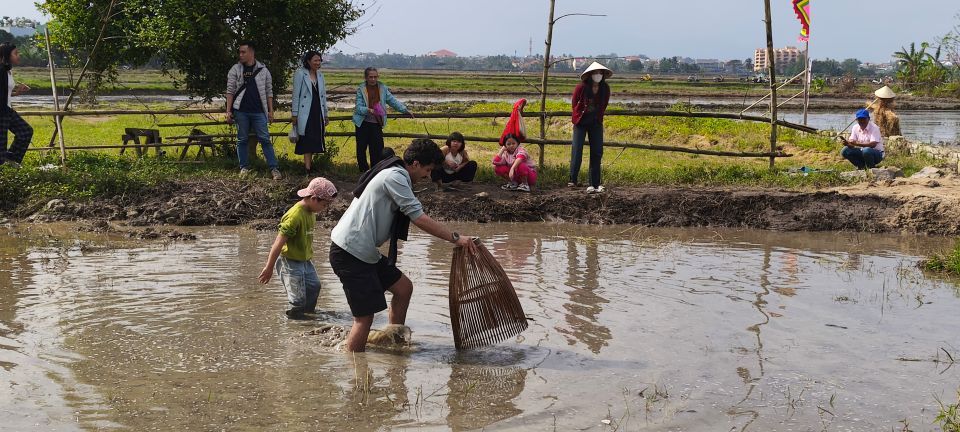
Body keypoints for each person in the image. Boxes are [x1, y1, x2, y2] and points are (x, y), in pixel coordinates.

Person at [328, 138, 476, 352]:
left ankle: (393, 342)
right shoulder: (395, 176)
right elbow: (418, 217)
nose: (427, 177)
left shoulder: (396, 172)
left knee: (403, 288)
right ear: (415, 164)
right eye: (426, 170)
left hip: (363, 251)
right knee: (364, 318)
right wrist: (456, 237)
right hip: (350, 251)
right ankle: (357, 373)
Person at [258, 177, 338, 319]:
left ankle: (308, 315)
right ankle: (295, 323)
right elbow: (278, 242)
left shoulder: (311, 212)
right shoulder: (295, 216)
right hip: (290, 261)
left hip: (305, 260)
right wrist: (269, 267)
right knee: (297, 299)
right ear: (314, 198)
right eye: (324, 205)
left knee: (314, 287)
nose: (324, 209)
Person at [225, 41, 281, 180]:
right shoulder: (235, 69)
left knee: (265, 140)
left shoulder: (263, 70)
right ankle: (244, 168)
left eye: (243, 52)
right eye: (240, 52)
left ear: (251, 53)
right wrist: (228, 110)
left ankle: (274, 169)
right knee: (242, 140)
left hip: (259, 111)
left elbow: (269, 92)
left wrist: (270, 111)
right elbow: (230, 91)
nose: (241, 55)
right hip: (241, 111)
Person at [352, 67, 414, 172]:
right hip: (362, 123)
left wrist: (404, 110)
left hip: (376, 123)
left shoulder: (382, 88)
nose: (373, 79)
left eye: (375, 77)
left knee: (377, 149)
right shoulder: (361, 89)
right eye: (370, 77)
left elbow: (392, 101)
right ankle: (363, 172)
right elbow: (358, 107)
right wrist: (368, 110)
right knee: (361, 149)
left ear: (378, 77)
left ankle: (375, 171)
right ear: (366, 77)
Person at [569, 61, 612, 194]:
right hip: (581, 122)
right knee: (577, 149)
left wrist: (597, 117)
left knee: (597, 151)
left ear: (603, 75)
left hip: (595, 122)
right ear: (589, 75)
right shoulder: (581, 88)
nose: (598, 75)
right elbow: (574, 103)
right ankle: (573, 179)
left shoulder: (605, 88)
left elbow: (604, 105)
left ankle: (594, 182)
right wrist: (578, 116)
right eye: (595, 73)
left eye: (600, 73)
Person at [291, 50, 329, 175]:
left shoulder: (321, 76)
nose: (318, 63)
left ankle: (310, 166)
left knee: (314, 139)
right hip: (305, 112)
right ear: (308, 61)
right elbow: (296, 95)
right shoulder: (300, 74)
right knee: (306, 139)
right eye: (315, 60)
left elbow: (323, 96)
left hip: (317, 112)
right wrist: (295, 113)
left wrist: (326, 114)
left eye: (319, 60)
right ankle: (307, 168)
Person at [0, 42, 32, 169]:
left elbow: (3, 93)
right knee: (1, 146)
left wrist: (16, 93)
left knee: (26, 131)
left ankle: (11, 159)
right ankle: (4, 173)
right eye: (15, 53)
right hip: (2, 112)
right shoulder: (1, 70)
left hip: (7, 110)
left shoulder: (8, 71)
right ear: (7, 55)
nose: (18, 55)